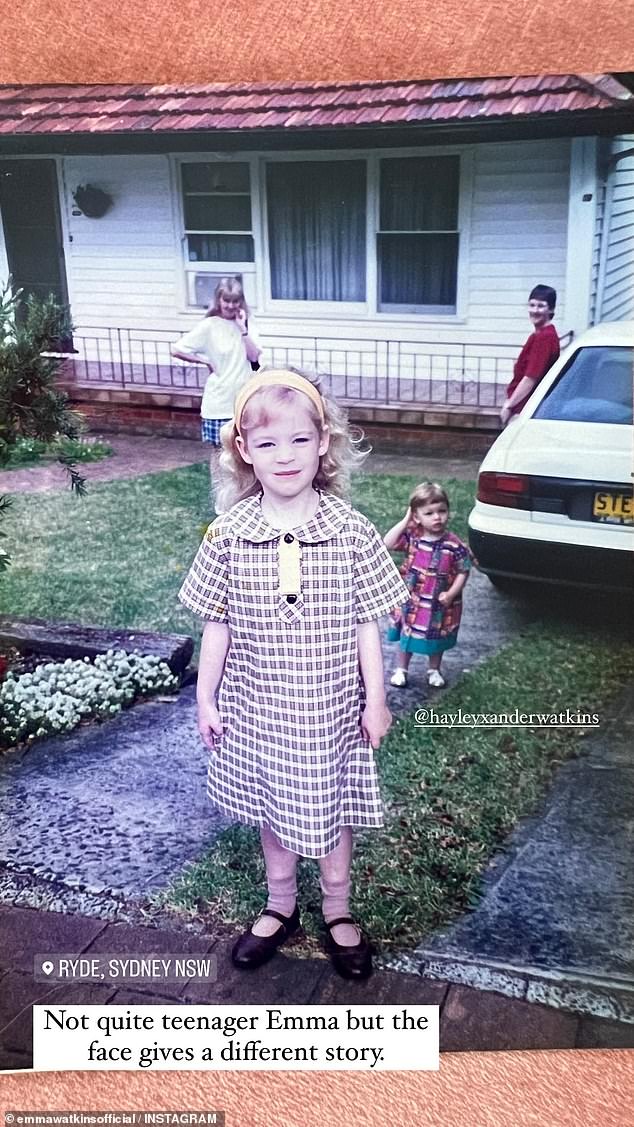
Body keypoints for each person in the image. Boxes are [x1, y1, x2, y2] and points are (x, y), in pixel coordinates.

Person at [178, 369, 408, 980]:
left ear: (324, 443)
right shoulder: (228, 536)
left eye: (300, 440)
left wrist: (377, 700)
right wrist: (206, 698)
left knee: (331, 816)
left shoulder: (351, 531)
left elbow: (367, 624)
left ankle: (338, 910)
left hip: (331, 712)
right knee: (273, 813)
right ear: (244, 451)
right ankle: (281, 907)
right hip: (260, 712)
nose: (285, 456)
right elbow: (217, 625)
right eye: (269, 443)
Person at [384, 482, 471, 689]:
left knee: (436, 635)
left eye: (442, 511)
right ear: (417, 516)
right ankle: (401, 669)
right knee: (407, 634)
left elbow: (463, 570)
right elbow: (387, 543)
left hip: (438, 602)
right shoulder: (413, 537)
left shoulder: (453, 544)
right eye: (429, 513)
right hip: (412, 600)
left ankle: (434, 669)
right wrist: (406, 521)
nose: (437, 517)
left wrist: (451, 593)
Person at [171, 277, 261, 450]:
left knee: (246, 459)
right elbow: (177, 350)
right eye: (226, 300)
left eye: (235, 301)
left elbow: (254, 357)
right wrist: (205, 361)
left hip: (245, 402)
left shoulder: (248, 323)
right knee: (221, 461)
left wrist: (243, 329)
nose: (230, 305)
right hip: (219, 404)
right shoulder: (209, 326)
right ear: (219, 300)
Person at [500, 284, 559, 427]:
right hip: (525, 406)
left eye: (541, 306)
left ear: (550, 309)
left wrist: (509, 405)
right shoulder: (539, 334)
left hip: (527, 409)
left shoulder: (545, 338)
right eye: (532, 305)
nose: (535, 310)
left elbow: (530, 379)